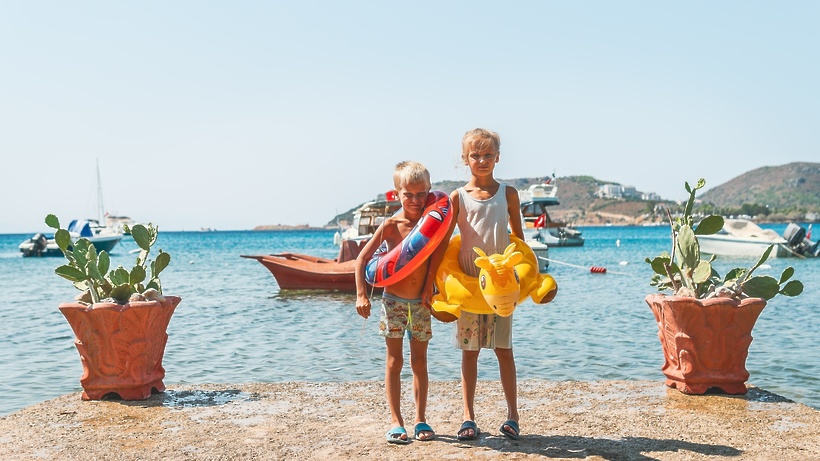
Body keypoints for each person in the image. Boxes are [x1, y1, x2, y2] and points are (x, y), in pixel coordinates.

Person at [422, 128, 524, 441]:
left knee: (504, 351)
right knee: (470, 353)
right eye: (475, 155)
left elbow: (519, 241)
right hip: (468, 289)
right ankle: (468, 417)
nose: (481, 160)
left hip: (501, 287)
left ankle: (513, 416)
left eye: (487, 155)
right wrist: (432, 283)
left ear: (497, 157)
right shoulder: (458, 197)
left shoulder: (508, 194)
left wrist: (528, 279)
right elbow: (442, 244)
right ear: (465, 159)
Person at [354, 161, 436, 444]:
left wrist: (430, 288)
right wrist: (361, 295)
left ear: (429, 190)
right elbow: (362, 259)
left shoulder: (431, 225)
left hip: (421, 304)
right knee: (394, 361)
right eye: (408, 194)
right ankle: (396, 421)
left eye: (421, 194)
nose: (415, 200)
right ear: (396, 194)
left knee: (420, 362)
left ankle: (421, 419)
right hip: (393, 302)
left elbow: (435, 261)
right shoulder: (390, 226)